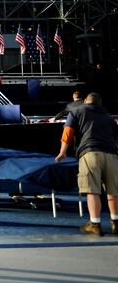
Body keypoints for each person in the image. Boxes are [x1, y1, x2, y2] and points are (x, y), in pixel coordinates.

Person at [55, 92, 118, 235]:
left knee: (92, 190)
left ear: (85, 101)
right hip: (111, 154)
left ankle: (94, 224)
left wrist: (62, 151)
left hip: (90, 153)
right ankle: (116, 223)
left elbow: (68, 132)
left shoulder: (77, 111)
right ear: (100, 104)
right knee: (113, 191)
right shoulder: (108, 116)